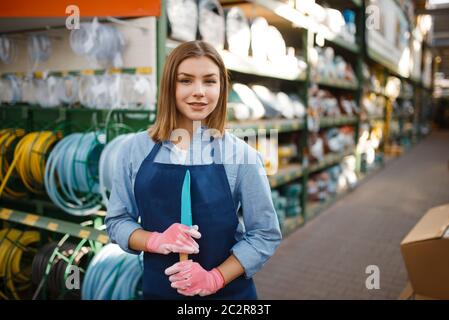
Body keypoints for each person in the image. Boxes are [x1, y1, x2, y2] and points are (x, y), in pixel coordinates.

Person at [105, 40, 282, 300]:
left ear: (221, 88)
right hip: (159, 291)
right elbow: (117, 222)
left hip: (228, 296)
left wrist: (215, 278)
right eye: (186, 80)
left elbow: (264, 234)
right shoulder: (134, 150)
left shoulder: (242, 156)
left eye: (209, 81)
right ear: (169, 86)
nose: (199, 91)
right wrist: (153, 240)